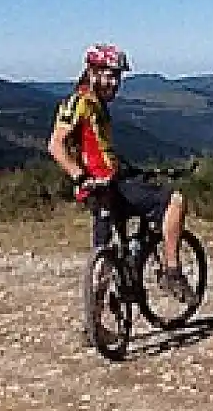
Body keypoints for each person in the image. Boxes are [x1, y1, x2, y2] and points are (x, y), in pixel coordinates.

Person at [47, 43, 196, 303]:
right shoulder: (80, 103)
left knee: (105, 250)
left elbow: (97, 149)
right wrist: (80, 176)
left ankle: (96, 319)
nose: (115, 82)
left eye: (117, 76)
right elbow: (55, 145)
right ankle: (172, 271)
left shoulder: (94, 103)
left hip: (101, 185)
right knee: (175, 201)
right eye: (109, 74)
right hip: (105, 183)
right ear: (92, 72)